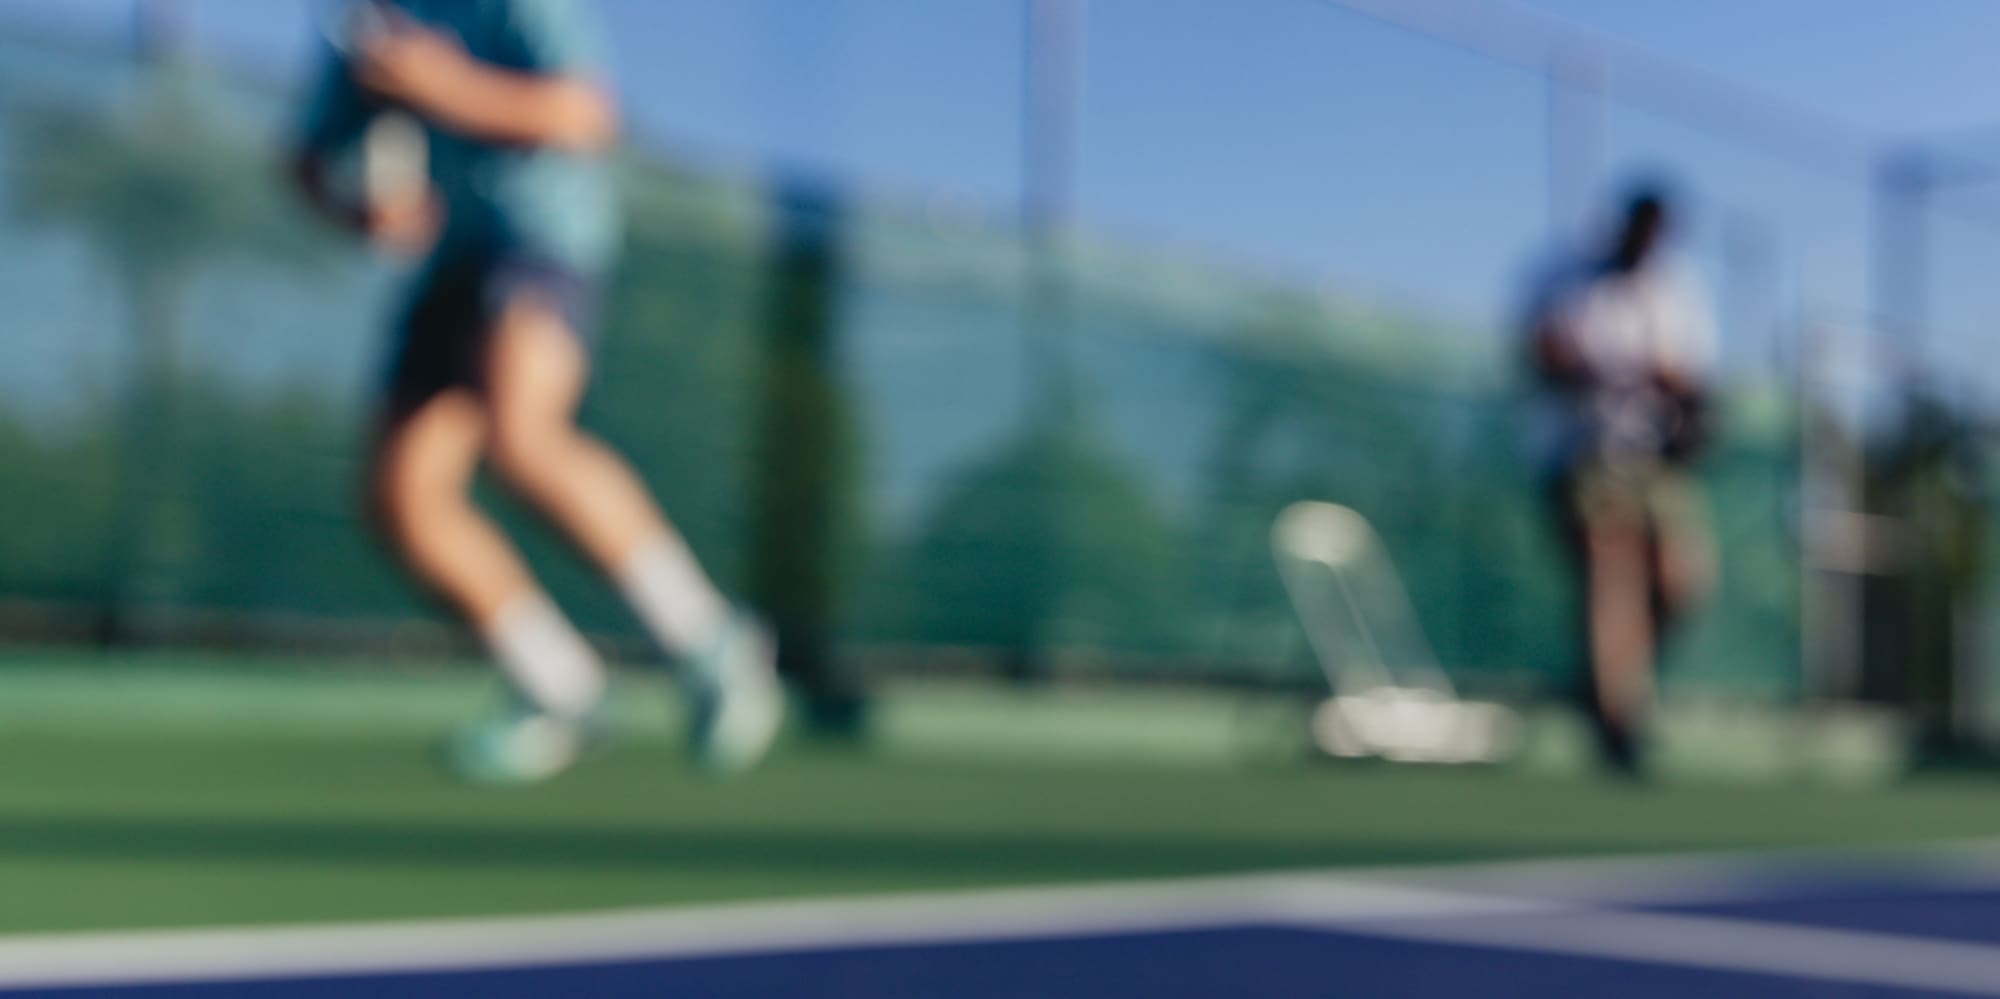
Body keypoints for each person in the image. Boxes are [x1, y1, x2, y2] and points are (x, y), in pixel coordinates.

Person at [290, 0, 781, 783]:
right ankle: (560, 686)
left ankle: (709, 638)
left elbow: (586, 112)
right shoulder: (365, 21)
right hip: (450, 264)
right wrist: (362, 210)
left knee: (523, 436)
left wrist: (445, 85)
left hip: (541, 241)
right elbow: (308, 162)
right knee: (404, 499)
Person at [1525, 184, 1718, 776]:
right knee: (1612, 582)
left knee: (1681, 585)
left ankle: (1608, 684)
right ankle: (1617, 725)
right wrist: (1609, 373)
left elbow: (1691, 379)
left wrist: (1685, 405)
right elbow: (1542, 355)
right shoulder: (1569, 280)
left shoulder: (1674, 293)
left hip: (1653, 460)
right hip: (1587, 456)